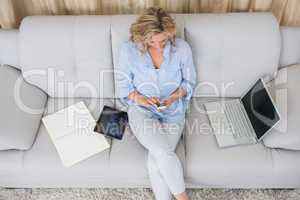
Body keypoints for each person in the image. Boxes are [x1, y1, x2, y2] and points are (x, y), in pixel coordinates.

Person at [115, 6, 196, 200]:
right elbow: (122, 85)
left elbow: (189, 82)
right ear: (143, 37)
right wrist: (140, 98)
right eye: (152, 41)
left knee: (156, 159)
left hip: (173, 110)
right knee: (161, 150)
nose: (159, 45)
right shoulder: (128, 50)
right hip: (142, 109)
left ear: (170, 33)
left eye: (163, 40)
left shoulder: (182, 49)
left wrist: (174, 97)